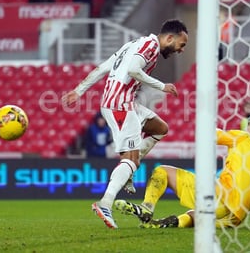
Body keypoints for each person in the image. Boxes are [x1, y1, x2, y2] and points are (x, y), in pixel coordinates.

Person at [62, 19, 188, 228]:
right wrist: (161, 86)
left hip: (124, 102)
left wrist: (79, 90)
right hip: (120, 104)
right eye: (181, 45)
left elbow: (104, 67)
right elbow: (133, 70)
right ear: (169, 38)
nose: (181, 50)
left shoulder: (133, 44)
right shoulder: (150, 47)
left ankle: (130, 167)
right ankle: (105, 203)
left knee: (160, 128)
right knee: (129, 159)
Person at [115, 113, 250, 228]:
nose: (246, 126)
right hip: (236, 220)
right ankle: (171, 223)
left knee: (161, 171)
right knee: (197, 216)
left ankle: (147, 209)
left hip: (219, 197)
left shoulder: (245, 138)